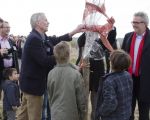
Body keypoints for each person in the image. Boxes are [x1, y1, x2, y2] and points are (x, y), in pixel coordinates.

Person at [17, 12, 86, 120]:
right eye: (45, 20)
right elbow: (44, 61)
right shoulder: (34, 39)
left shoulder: (42, 37)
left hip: (30, 84)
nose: (48, 22)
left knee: (23, 115)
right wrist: (62, 56)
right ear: (38, 23)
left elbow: (56, 39)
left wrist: (75, 31)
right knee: (34, 116)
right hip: (33, 86)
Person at [122, 11, 150, 120]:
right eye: (132, 22)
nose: (133, 24)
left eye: (136, 22)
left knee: (144, 113)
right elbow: (123, 58)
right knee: (128, 112)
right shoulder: (127, 36)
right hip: (129, 80)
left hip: (146, 82)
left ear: (145, 24)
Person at [47, 41, 86, 120]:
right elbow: (81, 100)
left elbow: (50, 96)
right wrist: (82, 115)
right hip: (71, 115)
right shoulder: (76, 74)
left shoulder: (51, 73)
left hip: (55, 114)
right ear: (68, 54)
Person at [95, 49, 133, 120]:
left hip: (113, 117)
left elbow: (110, 103)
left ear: (112, 63)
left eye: (110, 59)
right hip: (125, 114)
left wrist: (100, 112)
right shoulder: (127, 75)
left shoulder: (109, 81)